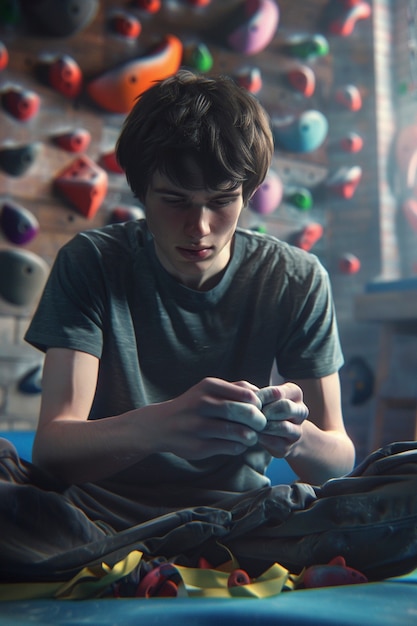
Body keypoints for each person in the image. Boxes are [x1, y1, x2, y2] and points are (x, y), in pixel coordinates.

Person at [1, 69, 355, 582]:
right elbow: (55, 450)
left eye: (221, 200)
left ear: (249, 192)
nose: (201, 227)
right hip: (93, 524)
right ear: (142, 191)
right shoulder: (93, 262)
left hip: (243, 524)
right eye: (176, 201)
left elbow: (339, 458)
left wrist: (293, 436)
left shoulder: (296, 278)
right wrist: (163, 426)